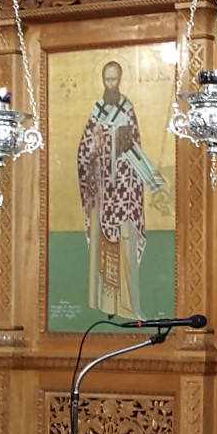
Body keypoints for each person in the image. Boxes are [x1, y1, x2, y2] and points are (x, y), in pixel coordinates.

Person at [76, 61, 168, 320]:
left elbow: (133, 145)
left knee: (126, 244)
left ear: (120, 80)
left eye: (114, 79)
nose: (111, 84)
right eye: (107, 79)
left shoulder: (127, 109)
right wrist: (95, 146)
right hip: (103, 193)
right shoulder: (96, 111)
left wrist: (147, 178)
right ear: (102, 80)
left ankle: (128, 304)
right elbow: (84, 152)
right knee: (105, 247)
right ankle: (107, 304)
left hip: (125, 192)